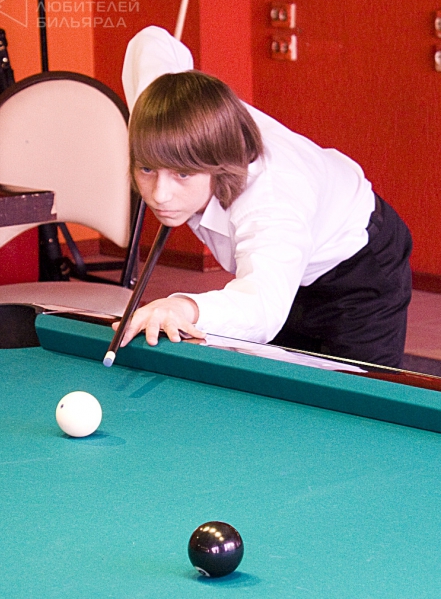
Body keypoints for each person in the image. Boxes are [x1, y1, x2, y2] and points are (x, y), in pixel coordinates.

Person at [115, 25, 412, 368]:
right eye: (147, 169)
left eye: (183, 174)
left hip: (356, 269)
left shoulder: (270, 199)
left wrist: (184, 307)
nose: (160, 195)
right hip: (278, 266)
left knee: (353, 391)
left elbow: (262, 307)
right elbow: (150, 40)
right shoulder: (154, 111)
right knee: (275, 378)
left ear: (218, 165)